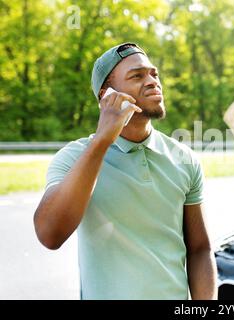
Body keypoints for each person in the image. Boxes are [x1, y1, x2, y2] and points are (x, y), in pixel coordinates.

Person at [33, 42, 218, 300]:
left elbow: (199, 249)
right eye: (137, 76)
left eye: (154, 74)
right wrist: (102, 141)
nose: (153, 81)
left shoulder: (183, 158)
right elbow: (50, 234)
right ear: (106, 95)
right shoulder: (74, 157)